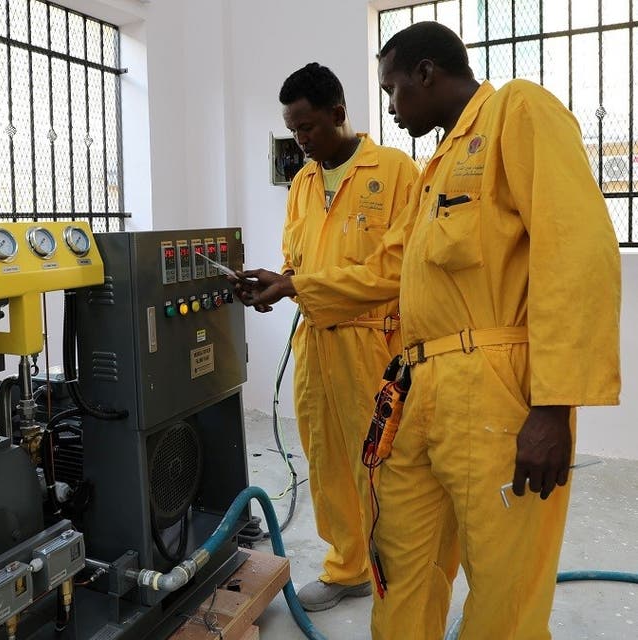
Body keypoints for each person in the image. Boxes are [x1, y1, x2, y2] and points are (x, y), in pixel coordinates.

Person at [235, 22, 621, 639]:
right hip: (416, 386)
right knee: (400, 558)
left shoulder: (516, 112)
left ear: (425, 74)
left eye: (393, 90)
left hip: (491, 391)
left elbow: (578, 254)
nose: (388, 107)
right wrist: (297, 286)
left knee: (502, 583)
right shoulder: (438, 165)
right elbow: (391, 269)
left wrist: (552, 407)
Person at [262, 62, 420, 611]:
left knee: (381, 462)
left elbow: (395, 271)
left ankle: (399, 576)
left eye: (308, 126)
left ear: (338, 113)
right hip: (314, 342)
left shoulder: (397, 172)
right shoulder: (304, 182)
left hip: (373, 344)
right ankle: (348, 566)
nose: (300, 139)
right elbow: (295, 259)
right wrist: (274, 285)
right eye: (292, 127)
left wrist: (294, 284)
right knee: (325, 459)